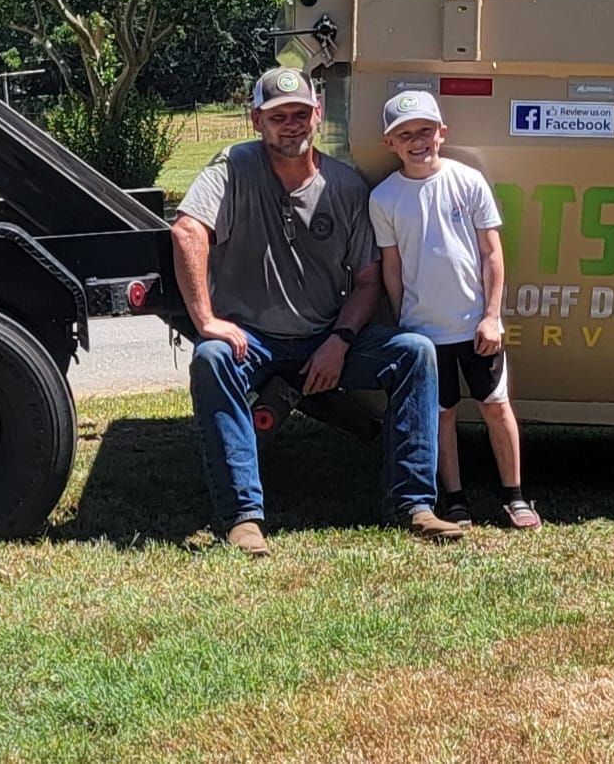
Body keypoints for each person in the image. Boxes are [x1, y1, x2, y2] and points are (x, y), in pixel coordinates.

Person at [171, 67, 464, 556]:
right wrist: (206, 321)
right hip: (252, 340)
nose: (291, 124)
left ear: (318, 115)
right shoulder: (233, 167)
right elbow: (186, 231)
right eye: (278, 116)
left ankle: (415, 505)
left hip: (326, 339)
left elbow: (368, 279)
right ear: (255, 121)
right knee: (211, 359)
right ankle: (242, 518)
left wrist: (340, 339)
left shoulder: (346, 187)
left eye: (301, 114)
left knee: (415, 353)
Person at [368, 90, 542, 531]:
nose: (417, 141)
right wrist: (402, 320)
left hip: (475, 327)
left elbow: (492, 255)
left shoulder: (468, 181)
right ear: (390, 143)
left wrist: (492, 315)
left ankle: (516, 498)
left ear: (442, 133)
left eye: (425, 130)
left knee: (496, 407)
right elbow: (392, 266)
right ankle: (455, 499)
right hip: (424, 335)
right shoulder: (384, 198)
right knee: (441, 415)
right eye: (405, 134)